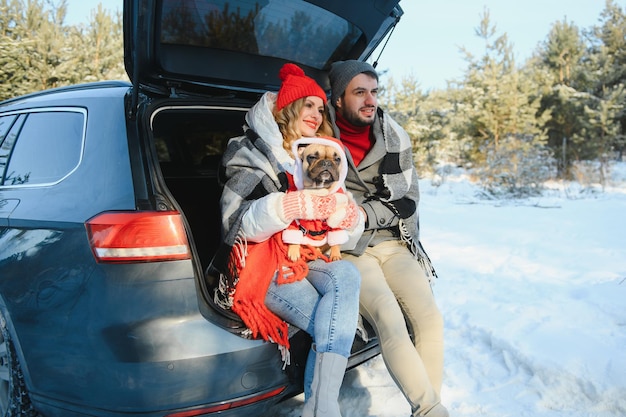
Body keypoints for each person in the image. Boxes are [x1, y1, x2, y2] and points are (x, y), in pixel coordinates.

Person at [215, 63, 364, 417]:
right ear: (288, 109)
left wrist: (348, 218)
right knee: (332, 324)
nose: (316, 113)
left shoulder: (325, 153)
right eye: (307, 105)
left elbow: (347, 213)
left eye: (319, 106)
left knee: (347, 275)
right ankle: (324, 409)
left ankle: (319, 407)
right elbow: (234, 223)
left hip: (310, 255)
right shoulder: (249, 152)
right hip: (265, 263)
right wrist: (288, 204)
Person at [327, 60, 449, 417]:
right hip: (348, 250)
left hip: (392, 242)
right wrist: (362, 212)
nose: (370, 100)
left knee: (429, 319)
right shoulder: (320, 139)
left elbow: (408, 199)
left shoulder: (394, 137)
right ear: (337, 99)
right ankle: (431, 411)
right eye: (359, 92)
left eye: (374, 91)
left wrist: (365, 212)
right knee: (390, 319)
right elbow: (320, 202)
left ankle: (429, 408)